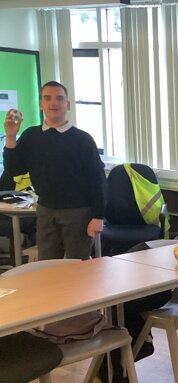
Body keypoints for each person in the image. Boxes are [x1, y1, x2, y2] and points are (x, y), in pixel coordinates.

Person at [2, 81, 105, 260]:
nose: (54, 103)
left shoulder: (82, 139)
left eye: (59, 98)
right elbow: (14, 170)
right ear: (41, 104)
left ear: (68, 104)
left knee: (77, 266)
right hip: (45, 210)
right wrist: (10, 137)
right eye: (47, 98)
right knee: (48, 265)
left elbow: (98, 179)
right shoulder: (31, 135)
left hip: (78, 212)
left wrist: (98, 216)